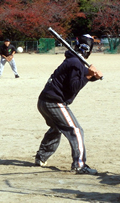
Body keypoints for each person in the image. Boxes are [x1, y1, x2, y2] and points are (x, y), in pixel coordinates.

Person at [34, 34, 103, 175]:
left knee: (57, 128)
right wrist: (90, 75)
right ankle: (79, 164)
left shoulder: (73, 61)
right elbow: (74, 86)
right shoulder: (76, 63)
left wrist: (93, 76)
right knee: (76, 130)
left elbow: (82, 75)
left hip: (43, 101)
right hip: (54, 102)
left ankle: (41, 157)